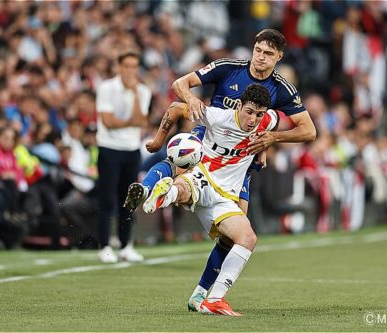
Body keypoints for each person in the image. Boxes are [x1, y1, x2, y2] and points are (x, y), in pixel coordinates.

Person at [124, 29, 316, 310]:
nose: (261, 58)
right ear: (253, 48)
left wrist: (269, 142)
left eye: (268, 54)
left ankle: (202, 294)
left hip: (241, 162)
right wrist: (189, 100)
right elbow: (181, 85)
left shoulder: (282, 90)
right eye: (258, 50)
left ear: (279, 57)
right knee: (183, 158)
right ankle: (154, 190)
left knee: (236, 235)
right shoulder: (228, 68)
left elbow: (307, 131)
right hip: (210, 134)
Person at [144, 84, 278, 316]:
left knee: (246, 239)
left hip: (226, 197)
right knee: (187, 186)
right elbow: (176, 108)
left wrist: (267, 143)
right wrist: (158, 140)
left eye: (259, 114)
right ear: (238, 105)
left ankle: (212, 299)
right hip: (204, 175)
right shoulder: (217, 116)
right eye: (249, 112)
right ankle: (164, 196)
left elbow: (293, 127)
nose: (253, 119)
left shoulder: (267, 120)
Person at [96, 50, 151, 263]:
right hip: (109, 147)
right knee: (107, 198)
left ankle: (126, 245)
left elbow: (143, 122)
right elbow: (108, 121)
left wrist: (135, 94)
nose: (130, 70)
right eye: (126, 66)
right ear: (119, 67)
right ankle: (105, 246)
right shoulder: (107, 88)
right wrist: (132, 121)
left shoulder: (143, 91)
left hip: (131, 148)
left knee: (129, 198)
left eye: (134, 66)